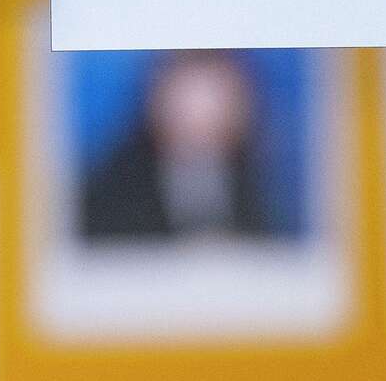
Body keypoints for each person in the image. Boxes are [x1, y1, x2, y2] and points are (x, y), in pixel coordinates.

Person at [78, 53, 273, 241]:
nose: (200, 124)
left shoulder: (258, 186)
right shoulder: (111, 191)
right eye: (189, 107)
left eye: (214, 107)